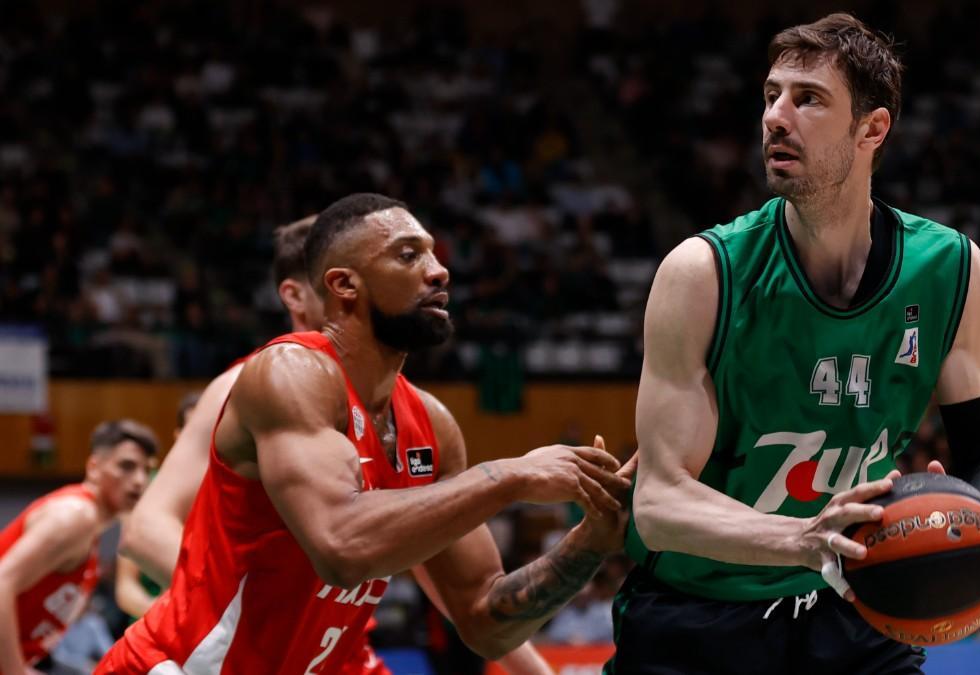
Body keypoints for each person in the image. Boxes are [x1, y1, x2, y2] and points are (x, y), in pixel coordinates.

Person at [609, 14, 980, 674]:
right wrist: (803, 538)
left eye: (807, 98)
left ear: (872, 129)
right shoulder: (703, 273)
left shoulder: (952, 271)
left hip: (855, 608)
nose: (776, 116)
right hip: (699, 616)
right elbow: (658, 503)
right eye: (771, 94)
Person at [99, 193, 632, 673]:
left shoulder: (432, 425)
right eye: (409, 255)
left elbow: (484, 622)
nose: (440, 271)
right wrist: (507, 477)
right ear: (344, 285)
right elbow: (340, 548)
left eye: (434, 253)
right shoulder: (289, 372)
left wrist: (592, 540)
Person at [0, 420, 157, 674]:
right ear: (94, 467)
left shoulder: (89, 533)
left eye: (146, 470)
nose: (139, 480)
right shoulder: (76, 516)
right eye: (126, 466)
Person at [115, 393, 199, 621]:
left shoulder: (240, 490)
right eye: (195, 431)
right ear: (179, 435)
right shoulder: (148, 488)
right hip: (158, 631)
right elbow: (126, 589)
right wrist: (172, 622)